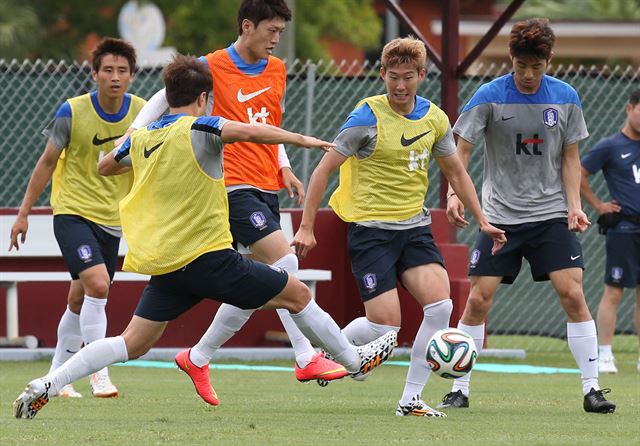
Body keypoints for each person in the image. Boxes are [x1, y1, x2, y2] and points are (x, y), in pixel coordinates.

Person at [13, 55, 397, 420]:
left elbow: (105, 164)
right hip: (209, 258)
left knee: (132, 342)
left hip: (170, 262)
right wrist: (301, 140)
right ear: (202, 98)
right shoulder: (203, 127)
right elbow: (249, 130)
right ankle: (353, 360)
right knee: (297, 294)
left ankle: (50, 381)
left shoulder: (144, 137)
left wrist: (135, 150)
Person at [116, 0, 347, 387]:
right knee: (284, 264)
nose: (276, 39)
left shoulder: (277, 69)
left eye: (280, 33)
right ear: (247, 26)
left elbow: (269, 121)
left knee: (256, 282)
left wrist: (284, 166)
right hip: (230, 184)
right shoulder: (212, 65)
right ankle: (307, 356)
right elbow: (164, 98)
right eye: (271, 31)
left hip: (265, 183)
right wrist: (134, 132)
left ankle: (199, 356)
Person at [292, 36, 507, 417]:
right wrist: (307, 226)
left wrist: (484, 221)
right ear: (382, 74)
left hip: (414, 228)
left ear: (422, 75)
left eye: (409, 77)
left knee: (440, 307)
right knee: (384, 327)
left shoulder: (435, 119)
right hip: (370, 230)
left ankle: (410, 399)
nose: (400, 86)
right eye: (393, 77)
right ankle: (329, 351)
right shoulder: (366, 116)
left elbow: (456, 171)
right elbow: (323, 171)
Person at [437, 18, 616, 413]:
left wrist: (573, 206)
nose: (529, 75)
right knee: (479, 300)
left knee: (572, 294)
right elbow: (458, 151)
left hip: (551, 214)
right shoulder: (488, 95)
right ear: (511, 60)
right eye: (522, 67)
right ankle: (459, 389)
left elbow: (571, 159)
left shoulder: (566, 97)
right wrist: (453, 193)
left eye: (537, 67)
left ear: (549, 60)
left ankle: (592, 388)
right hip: (499, 215)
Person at [8, 37, 146, 399]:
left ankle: (58, 376)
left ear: (132, 76)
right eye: (108, 70)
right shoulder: (71, 111)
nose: (115, 77)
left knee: (78, 299)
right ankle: (97, 371)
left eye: (122, 71)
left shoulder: (144, 112)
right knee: (99, 286)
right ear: (95, 74)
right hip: (71, 212)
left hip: (113, 220)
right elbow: (47, 162)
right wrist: (23, 214)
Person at [580, 89, 640, 374]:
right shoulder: (610, 146)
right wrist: (598, 205)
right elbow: (579, 173)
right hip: (624, 229)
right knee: (614, 292)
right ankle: (604, 354)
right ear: (629, 109)